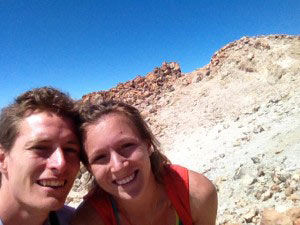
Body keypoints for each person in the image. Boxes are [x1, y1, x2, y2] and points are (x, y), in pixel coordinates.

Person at [72, 100, 217, 225]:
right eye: (100, 157)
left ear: (148, 146)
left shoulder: (196, 195)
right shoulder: (88, 220)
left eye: (127, 145)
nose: (117, 166)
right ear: (90, 169)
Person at [0, 87, 81, 225]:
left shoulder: (78, 221)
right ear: (2, 159)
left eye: (70, 149)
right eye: (40, 147)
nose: (61, 163)